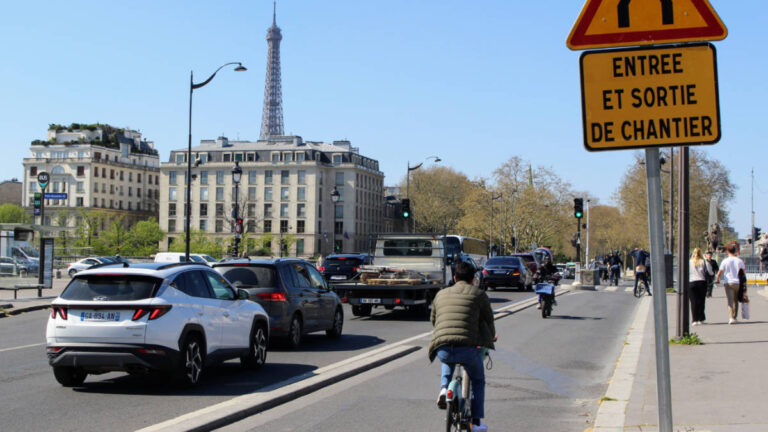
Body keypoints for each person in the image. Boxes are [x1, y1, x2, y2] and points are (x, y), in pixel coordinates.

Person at [429, 261, 496, 432]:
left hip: (442, 346)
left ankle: (444, 390)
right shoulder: (479, 295)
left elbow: (433, 320)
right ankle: (476, 423)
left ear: (454, 277)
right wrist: (492, 336)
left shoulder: (441, 294)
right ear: (473, 279)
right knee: (478, 380)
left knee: (448, 357)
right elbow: (489, 320)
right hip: (467, 348)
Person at [715, 242, 745, 324]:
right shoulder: (739, 261)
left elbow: (720, 272)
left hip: (728, 282)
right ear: (735, 251)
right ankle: (735, 317)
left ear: (728, 251)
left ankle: (731, 317)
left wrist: (717, 279)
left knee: (730, 300)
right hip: (737, 282)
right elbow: (743, 273)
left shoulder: (725, 261)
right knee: (736, 300)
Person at [689, 248, 713, 326]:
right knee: (701, 301)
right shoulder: (704, 262)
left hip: (692, 282)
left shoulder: (689, 262)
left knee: (693, 301)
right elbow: (710, 272)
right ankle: (701, 318)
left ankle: (694, 319)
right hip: (702, 282)